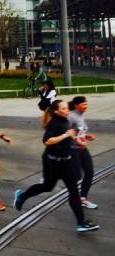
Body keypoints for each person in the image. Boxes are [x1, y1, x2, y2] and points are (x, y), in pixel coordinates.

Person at [14, 99, 99, 232]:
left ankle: (81, 223)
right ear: (56, 111)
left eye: (67, 108)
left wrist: (82, 137)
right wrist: (66, 135)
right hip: (54, 162)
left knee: (74, 191)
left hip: (66, 162)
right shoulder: (53, 123)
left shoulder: (65, 120)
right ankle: (22, 196)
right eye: (64, 109)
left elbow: (68, 135)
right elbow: (47, 141)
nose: (67, 111)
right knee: (47, 187)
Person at [68, 96, 98, 210]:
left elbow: (78, 132)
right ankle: (74, 197)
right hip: (73, 149)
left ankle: (83, 199)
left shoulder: (80, 116)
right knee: (77, 176)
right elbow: (66, 133)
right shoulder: (71, 116)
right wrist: (77, 141)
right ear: (76, 105)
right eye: (83, 104)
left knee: (89, 173)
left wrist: (86, 136)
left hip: (82, 149)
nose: (86, 106)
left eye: (86, 104)